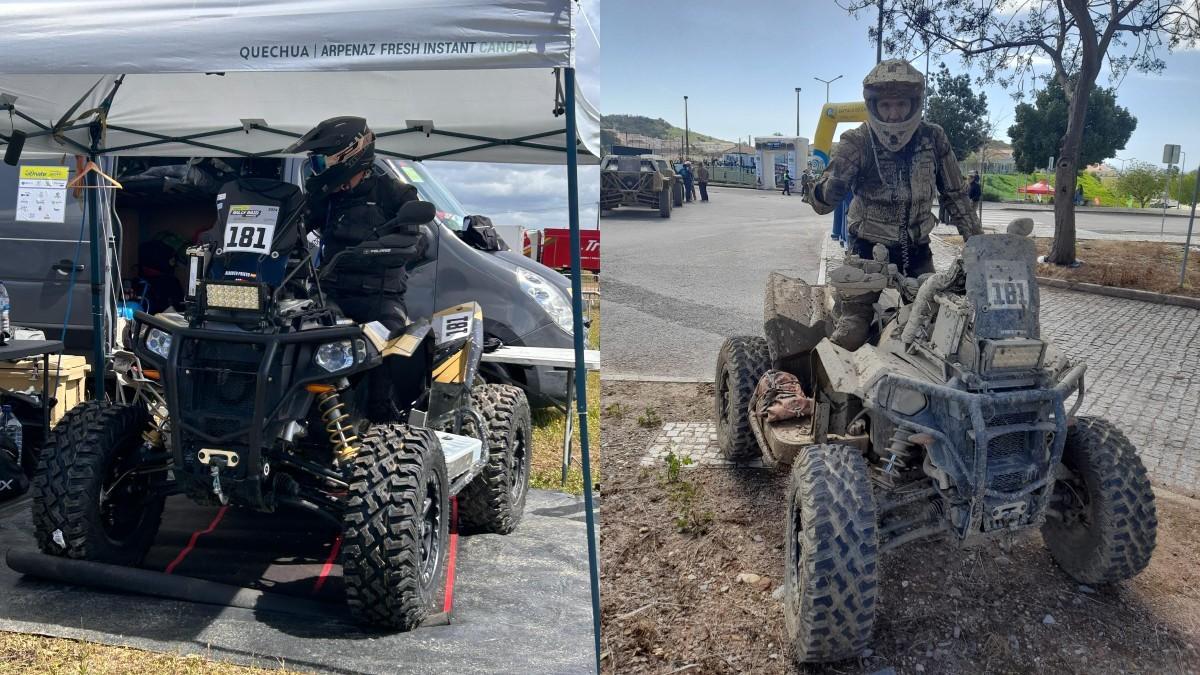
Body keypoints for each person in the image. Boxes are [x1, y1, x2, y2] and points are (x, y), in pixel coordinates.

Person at [806, 59, 982, 349]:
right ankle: (822, 388)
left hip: (917, 251)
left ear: (914, 104)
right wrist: (827, 186)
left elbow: (956, 195)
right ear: (874, 106)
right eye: (886, 106)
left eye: (900, 104)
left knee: (936, 329)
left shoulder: (933, 137)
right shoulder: (857, 140)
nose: (893, 114)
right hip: (865, 252)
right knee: (852, 332)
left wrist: (978, 245)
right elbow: (822, 204)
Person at [286, 116, 427, 420]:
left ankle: (384, 426)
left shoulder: (394, 193)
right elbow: (291, 229)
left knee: (387, 351)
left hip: (380, 299)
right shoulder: (324, 198)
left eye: (322, 161)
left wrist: (385, 248)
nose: (317, 169)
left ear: (349, 154)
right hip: (330, 295)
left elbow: (418, 240)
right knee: (298, 342)